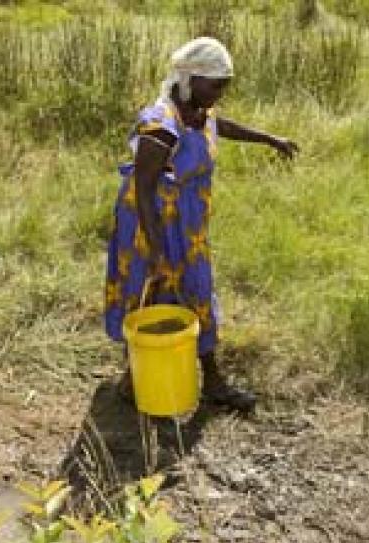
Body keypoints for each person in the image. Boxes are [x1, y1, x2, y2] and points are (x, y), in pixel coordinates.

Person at [103, 37, 298, 415]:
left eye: (226, 83)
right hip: (150, 221)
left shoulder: (197, 110)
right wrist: (157, 248)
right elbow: (143, 189)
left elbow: (217, 125)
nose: (221, 92)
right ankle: (138, 377)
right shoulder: (161, 124)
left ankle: (212, 382)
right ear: (191, 78)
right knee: (146, 293)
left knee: (198, 292)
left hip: (187, 224)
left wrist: (268, 138)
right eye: (217, 83)